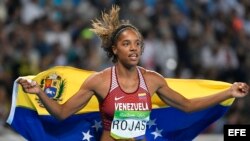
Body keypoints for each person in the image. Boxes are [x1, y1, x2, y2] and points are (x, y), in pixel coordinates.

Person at [18, 5, 249, 141]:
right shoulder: (99, 81)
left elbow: (187, 106)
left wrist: (227, 91)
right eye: (127, 44)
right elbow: (61, 113)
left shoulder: (152, 80)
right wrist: (39, 92)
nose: (134, 48)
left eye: (137, 43)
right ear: (114, 49)